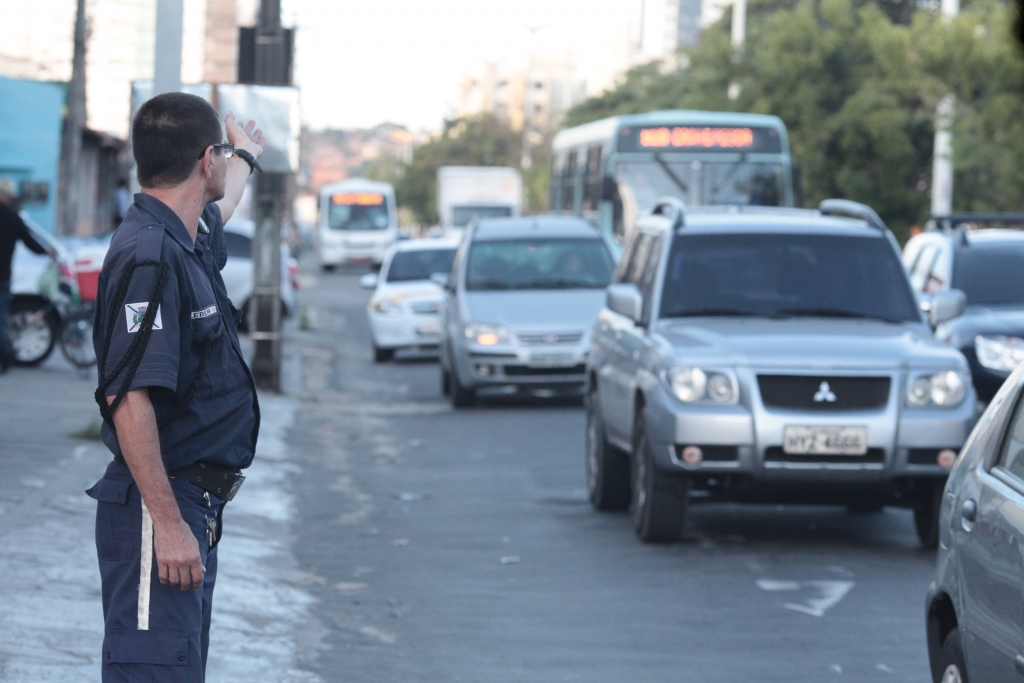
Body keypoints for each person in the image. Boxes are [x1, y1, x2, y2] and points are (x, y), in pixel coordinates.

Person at [86, 92, 265, 682]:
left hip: (189, 503)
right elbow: (127, 396)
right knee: (153, 674)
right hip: (158, 506)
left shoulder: (185, 234)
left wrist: (243, 154)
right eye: (220, 156)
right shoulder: (151, 256)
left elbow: (228, 201)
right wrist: (166, 522)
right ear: (202, 160)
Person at [0, 176, 55, 373]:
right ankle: (6, 353)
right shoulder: (14, 219)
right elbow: (30, 243)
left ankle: (6, 353)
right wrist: (47, 252)